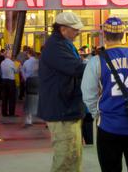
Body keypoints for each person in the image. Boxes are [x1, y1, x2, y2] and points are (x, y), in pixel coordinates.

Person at [82, 17, 128, 172]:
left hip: (109, 126)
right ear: (124, 35)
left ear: (104, 36)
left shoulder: (96, 61)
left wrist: (97, 114)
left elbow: (88, 93)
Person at [39, 11, 87, 172]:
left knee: (73, 155)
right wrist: (99, 66)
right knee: (66, 157)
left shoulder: (62, 44)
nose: (78, 32)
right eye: (75, 29)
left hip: (66, 107)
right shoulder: (56, 46)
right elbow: (76, 68)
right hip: (61, 109)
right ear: (63, 29)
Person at [21, 51, 39, 127]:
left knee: (29, 99)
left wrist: (25, 78)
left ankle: (29, 120)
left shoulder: (26, 62)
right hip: (37, 81)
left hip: (29, 81)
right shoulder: (38, 62)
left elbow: (22, 71)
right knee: (38, 98)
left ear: (29, 54)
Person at [0, 49, 18, 118]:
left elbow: (1, 72)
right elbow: (16, 71)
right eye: (10, 54)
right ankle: (11, 112)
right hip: (11, 80)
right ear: (9, 55)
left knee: (4, 97)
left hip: (4, 80)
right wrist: (18, 68)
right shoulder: (11, 63)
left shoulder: (2, 62)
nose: (11, 55)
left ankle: (4, 112)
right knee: (11, 97)